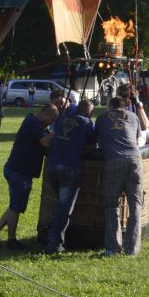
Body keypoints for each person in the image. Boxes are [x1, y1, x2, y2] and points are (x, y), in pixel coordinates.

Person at [0, 104, 57, 250]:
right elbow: (45, 142)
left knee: (15, 206)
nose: (52, 123)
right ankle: (11, 241)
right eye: (52, 120)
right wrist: (55, 133)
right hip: (19, 171)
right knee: (16, 207)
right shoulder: (34, 123)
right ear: (46, 115)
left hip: (17, 169)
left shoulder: (35, 124)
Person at [44, 100, 97, 255]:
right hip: (69, 168)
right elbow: (93, 142)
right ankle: (54, 244)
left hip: (51, 167)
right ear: (89, 112)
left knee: (59, 205)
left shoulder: (62, 119)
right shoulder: (86, 123)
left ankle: (51, 236)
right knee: (63, 208)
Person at [96, 97, 145, 256]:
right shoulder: (134, 117)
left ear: (110, 106)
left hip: (114, 161)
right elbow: (137, 138)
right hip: (135, 160)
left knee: (112, 205)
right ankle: (132, 249)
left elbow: (96, 141)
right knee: (135, 205)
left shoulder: (102, 118)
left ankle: (113, 248)